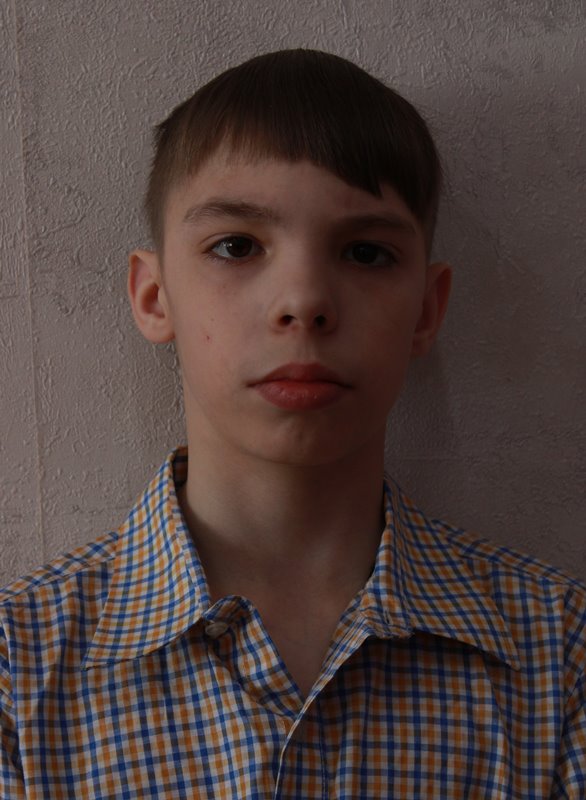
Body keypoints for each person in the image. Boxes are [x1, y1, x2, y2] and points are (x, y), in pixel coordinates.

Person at [0, 49, 584, 799]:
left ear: (426, 310)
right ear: (153, 296)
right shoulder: (19, 673)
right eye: (236, 246)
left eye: (366, 252)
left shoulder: (559, 656)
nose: (304, 299)